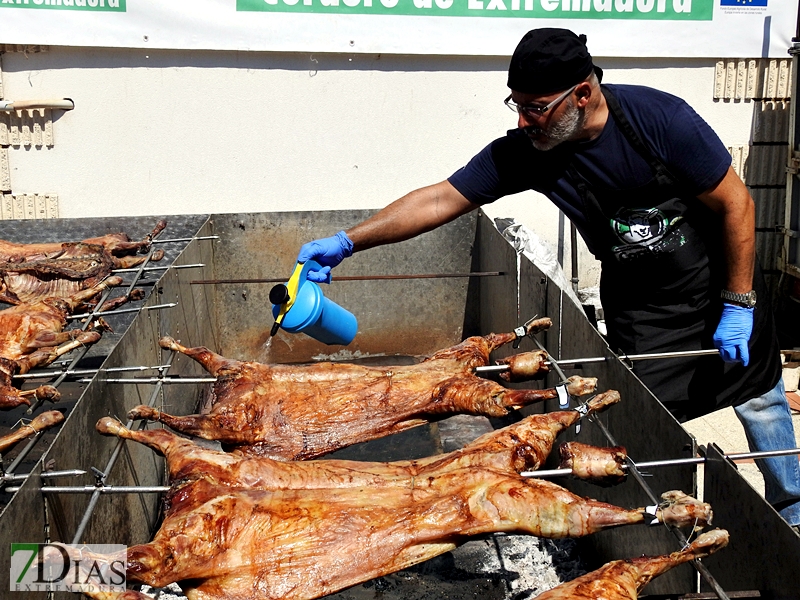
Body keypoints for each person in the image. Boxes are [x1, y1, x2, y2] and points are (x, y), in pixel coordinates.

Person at [295, 28, 800, 529]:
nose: (522, 119)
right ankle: (666, 524)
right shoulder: (532, 149)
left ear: (583, 93)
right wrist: (348, 242)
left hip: (719, 291)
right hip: (641, 308)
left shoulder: (660, 120)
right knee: (640, 421)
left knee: (761, 401)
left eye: (535, 106)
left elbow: (737, 203)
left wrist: (739, 301)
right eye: (516, 104)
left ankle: (793, 515)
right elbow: (440, 198)